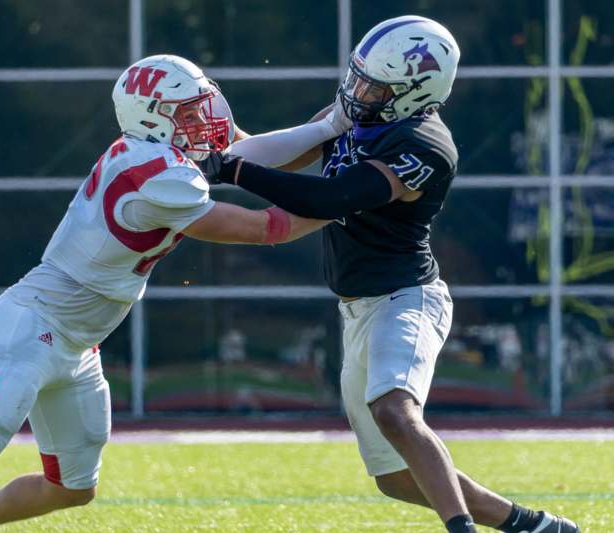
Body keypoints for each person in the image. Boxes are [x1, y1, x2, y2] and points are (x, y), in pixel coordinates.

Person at [0, 54, 342, 533]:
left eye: (201, 106)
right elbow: (263, 228)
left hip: (77, 343)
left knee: (72, 487)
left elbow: (254, 151)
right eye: (188, 112)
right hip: (34, 327)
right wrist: (350, 200)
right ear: (153, 117)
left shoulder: (157, 154)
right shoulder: (156, 172)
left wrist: (333, 124)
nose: (203, 121)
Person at [205, 15, 581, 533]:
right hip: (358, 306)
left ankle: (462, 529)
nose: (358, 92)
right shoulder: (361, 113)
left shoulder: (426, 145)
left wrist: (230, 170)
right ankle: (532, 525)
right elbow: (288, 151)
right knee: (395, 477)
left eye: (374, 85)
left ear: (415, 91)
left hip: (405, 296)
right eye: (358, 76)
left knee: (394, 410)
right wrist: (215, 153)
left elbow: (330, 197)